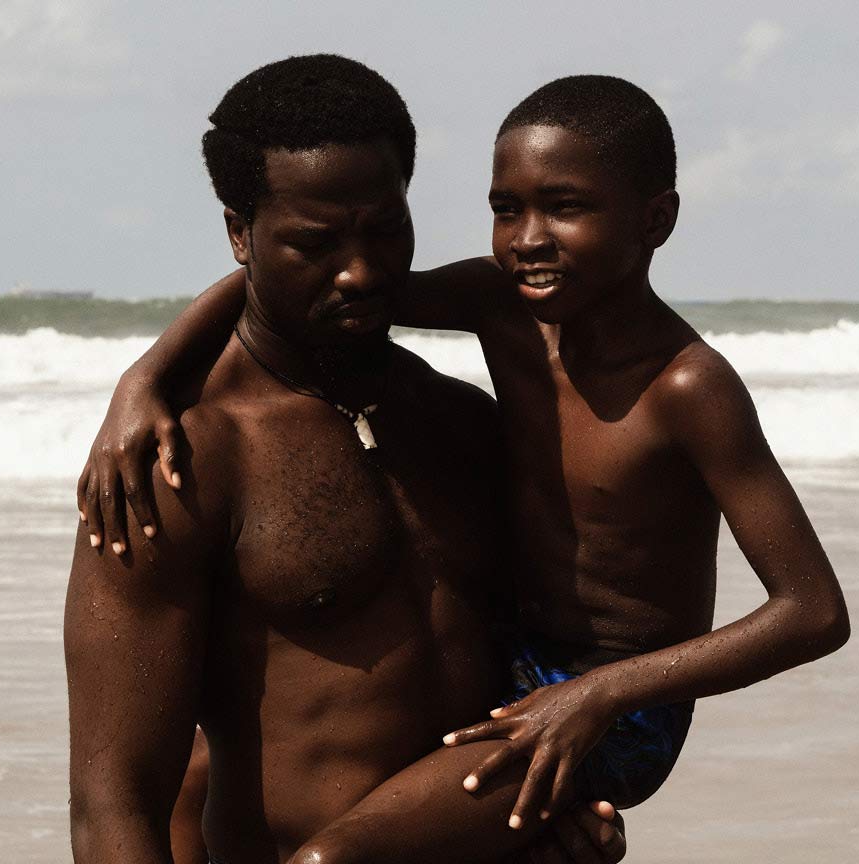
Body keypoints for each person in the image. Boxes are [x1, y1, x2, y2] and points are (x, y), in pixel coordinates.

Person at [65, 56, 625, 864]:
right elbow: (114, 801)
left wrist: (565, 823)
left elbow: (547, 672)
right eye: (314, 243)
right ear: (239, 233)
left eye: (386, 229)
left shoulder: (465, 424)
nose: (361, 272)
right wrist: (145, 376)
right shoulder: (182, 460)